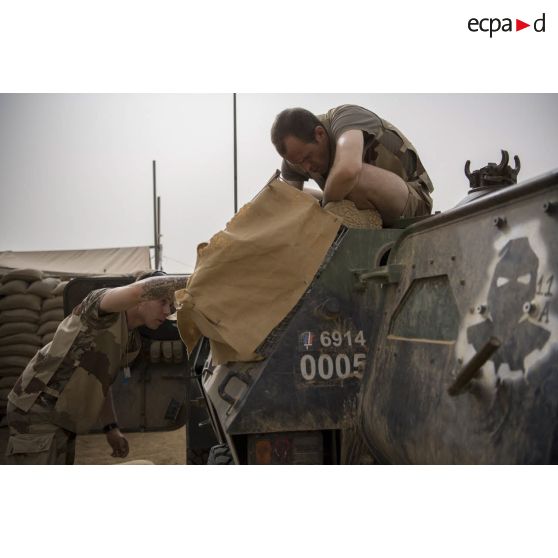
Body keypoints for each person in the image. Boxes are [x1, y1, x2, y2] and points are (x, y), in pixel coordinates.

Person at [4, 271, 186, 465]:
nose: (168, 311)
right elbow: (138, 290)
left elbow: (101, 382)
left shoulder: (132, 342)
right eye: (163, 302)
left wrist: (111, 427)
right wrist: (199, 277)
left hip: (63, 415)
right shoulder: (99, 309)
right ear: (142, 299)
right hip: (37, 407)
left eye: (171, 305)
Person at [270, 104, 434, 226]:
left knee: (356, 177)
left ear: (319, 134)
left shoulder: (346, 119)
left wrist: (326, 209)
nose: (306, 167)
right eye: (298, 163)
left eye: (308, 158)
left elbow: (348, 170)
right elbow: (287, 201)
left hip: (411, 205)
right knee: (298, 196)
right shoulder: (297, 155)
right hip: (358, 205)